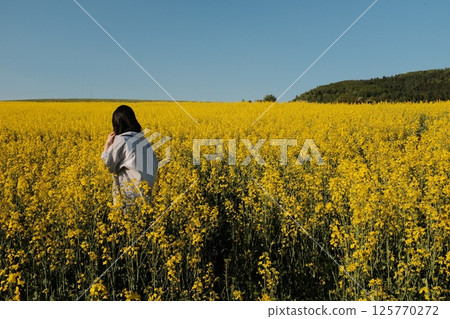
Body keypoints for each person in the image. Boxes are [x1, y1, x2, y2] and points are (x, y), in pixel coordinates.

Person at [101, 105, 158, 208]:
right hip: (146, 201)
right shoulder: (145, 142)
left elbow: (107, 166)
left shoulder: (122, 141)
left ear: (117, 123)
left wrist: (107, 146)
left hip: (128, 201)